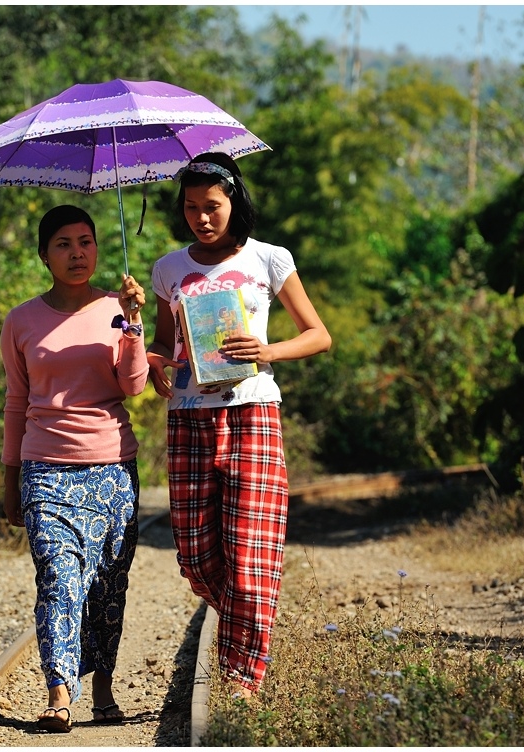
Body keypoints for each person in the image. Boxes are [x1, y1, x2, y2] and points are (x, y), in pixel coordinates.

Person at [146, 152, 331, 699]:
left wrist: (267, 348)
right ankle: (251, 615)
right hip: (187, 419)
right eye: (191, 208)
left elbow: (318, 334)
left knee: (250, 555)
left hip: (253, 413)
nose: (201, 218)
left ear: (234, 203)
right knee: (197, 557)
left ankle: (241, 680)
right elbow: (161, 342)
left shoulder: (269, 260)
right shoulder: (167, 269)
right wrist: (157, 363)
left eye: (212, 207)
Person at [0, 204, 148, 732]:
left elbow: (133, 386)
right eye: (63, 243)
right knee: (60, 580)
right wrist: (9, 477)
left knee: (108, 587)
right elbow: (16, 402)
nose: (77, 253)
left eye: (85, 241)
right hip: (45, 469)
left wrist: (133, 326)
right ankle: (60, 691)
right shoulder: (21, 320)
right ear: (44, 254)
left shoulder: (118, 307)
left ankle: (103, 684)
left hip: (112, 468)